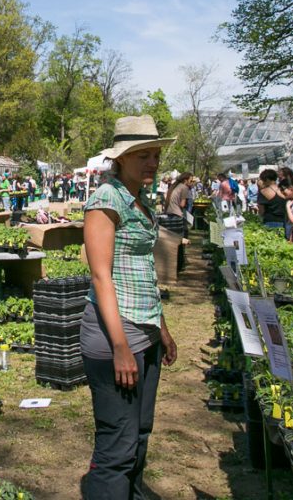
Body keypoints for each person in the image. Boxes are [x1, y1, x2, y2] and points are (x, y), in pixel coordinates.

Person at [80, 115, 178, 499]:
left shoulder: (140, 199)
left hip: (145, 330)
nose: (152, 162)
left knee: (139, 431)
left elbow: (141, 272)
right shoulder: (107, 198)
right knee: (117, 442)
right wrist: (120, 346)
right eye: (143, 156)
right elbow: (102, 276)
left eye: (155, 155)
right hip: (115, 335)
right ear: (121, 158)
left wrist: (162, 329)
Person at [162, 172, 194, 246]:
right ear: (185, 180)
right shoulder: (184, 187)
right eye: (191, 180)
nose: (191, 182)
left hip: (169, 213)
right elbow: (182, 204)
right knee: (181, 240)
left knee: (172, 239)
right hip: (177, 214)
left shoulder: (174, 186)